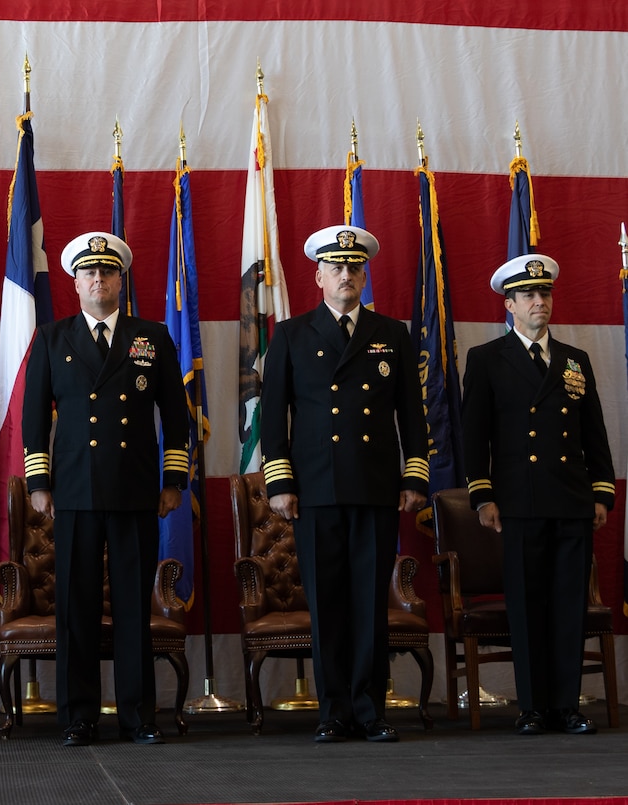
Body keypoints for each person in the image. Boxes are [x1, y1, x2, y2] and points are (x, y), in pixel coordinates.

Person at [260, 226, 428, 743]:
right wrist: (280, 482)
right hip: (314, 490)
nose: (347, 275)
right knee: (328, 604)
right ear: (318, 276)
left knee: (369, 604)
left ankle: (370, 709)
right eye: (336, 267)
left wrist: (414, 474)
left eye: (355, 267)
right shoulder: (291, 333)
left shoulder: (391, 333)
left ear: (364, 274)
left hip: (375, 486)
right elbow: (273, 418)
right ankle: (333, 710)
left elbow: (412, 415)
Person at [21, 232, 189, 746]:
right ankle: (78, 716)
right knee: (76, 607)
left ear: (121, 280)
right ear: (75, 283)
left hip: (136, 490)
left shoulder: (151, 337)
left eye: (109, 273)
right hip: (72, 492)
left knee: (135, 607)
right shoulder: (52, 338)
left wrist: (174, 480)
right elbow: (33, 419)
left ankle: (139, 716)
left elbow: (176, 417)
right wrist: (39, 481)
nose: (100, 280)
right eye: (90, 273)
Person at [461, 253, 614, 735]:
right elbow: (474, 435)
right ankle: (531, 706)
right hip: (519, 503)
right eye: (528, 295)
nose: (539, 302)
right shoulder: (487, 360)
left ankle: (566, 705)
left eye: (544, 293)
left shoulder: (575, 360)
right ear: (509, 305)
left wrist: (602, 493)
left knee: (569, 606)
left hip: (570, 500)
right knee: (527, 608)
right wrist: (483, 495)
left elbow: (595, 433)